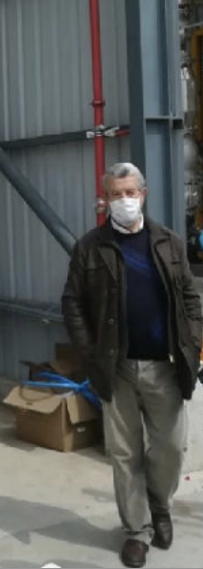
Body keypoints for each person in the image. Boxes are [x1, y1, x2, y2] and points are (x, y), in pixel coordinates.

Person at [62, 162, 203, 568]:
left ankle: (160, 507)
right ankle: (137, 531)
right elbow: (72, 302)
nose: (123, 200)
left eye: (130, 192)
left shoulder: (169, 242)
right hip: (117, 366)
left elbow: (190, 298)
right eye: (115, 194)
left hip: (165, 365)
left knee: (170, 447)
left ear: (143, 194)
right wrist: (90, 353)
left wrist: (193, 342)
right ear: (105, 199)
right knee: (125, 454)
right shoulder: (90, 247)